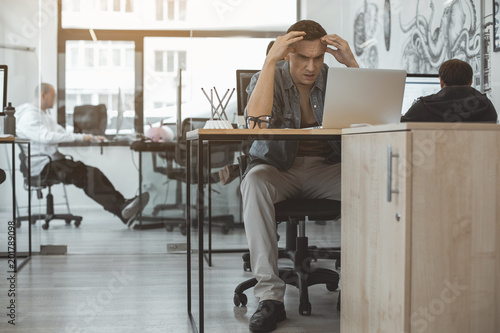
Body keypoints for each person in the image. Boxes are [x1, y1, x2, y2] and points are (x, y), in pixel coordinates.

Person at [240, 20, 358, 332]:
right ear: (288, 54)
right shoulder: (270, 76)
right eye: (302, 58)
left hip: (326, 168)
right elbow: (257, 126)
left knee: (370, 185)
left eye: (318, 58)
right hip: (279, 169)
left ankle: (356, 286)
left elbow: (370, 124)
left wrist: (352, 64)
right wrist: (269, 61)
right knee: (253, 183)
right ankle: (270, 298)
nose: (311, 66)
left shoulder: (337, 78)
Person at [16, 83, 149, 227]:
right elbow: (47, 137)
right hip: (43, 167)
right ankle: (121, 209)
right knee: (89, 176)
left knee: (92, 173)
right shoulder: (28, 116)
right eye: (53, 96)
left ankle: (123, 208)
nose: (55, 99)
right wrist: (82, 138)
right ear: (43, 95)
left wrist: (88, 137)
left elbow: (61, 133)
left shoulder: (43, 115)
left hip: (53, 162)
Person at [401, 59, 498, 123]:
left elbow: (402, 127)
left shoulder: (423, 107)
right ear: (470, 82)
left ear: (441, 81)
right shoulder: (486, 106)